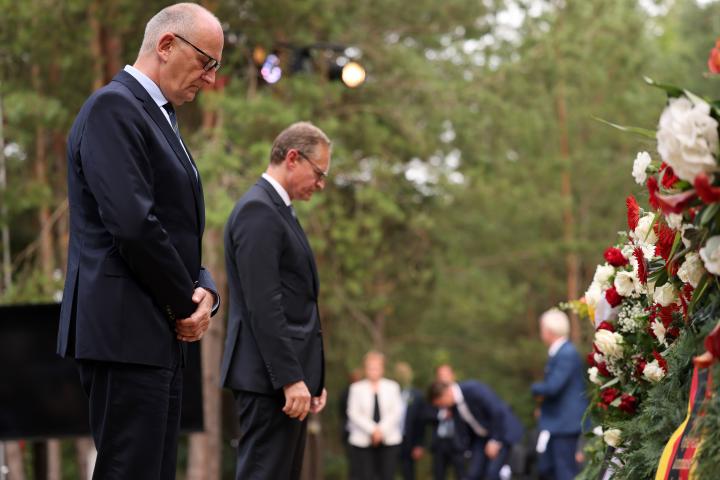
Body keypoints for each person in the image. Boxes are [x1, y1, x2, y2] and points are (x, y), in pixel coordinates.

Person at [56, 3, 222, 479]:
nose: (209, 79)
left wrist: (204, 288)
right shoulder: (114, 107)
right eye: (206, 62)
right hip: (125, 332)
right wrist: (183, 302)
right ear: (167, 45)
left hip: (153, 333)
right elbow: (132, 223)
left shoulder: (160, 117)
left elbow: (172, 225)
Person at [220, 122, 330, 480]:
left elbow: (298, 301)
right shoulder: (258, 211)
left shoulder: (279, 210)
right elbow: (263, 305)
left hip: (285, 383)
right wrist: (290, 379)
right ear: (293, 158)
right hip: (269, 382)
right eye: (319, 173)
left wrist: (311, 377)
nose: (321, 184)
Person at [531, 308, 588, 480]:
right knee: (548, 469)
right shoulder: (561, 352)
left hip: (565, 424)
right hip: (558, 422)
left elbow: (553, 387)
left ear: (549, 331)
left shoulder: (566, 353)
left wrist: (535, 388)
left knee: (564, 472)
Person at [428, 380, 524, 480]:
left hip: (502, 433)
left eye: (441, 403)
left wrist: (495, 440)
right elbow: (464, 430)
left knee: (492, 473)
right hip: (482, 438)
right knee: (473, 473)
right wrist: (467, 450)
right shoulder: (454, 406)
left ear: (445, 393)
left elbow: (496, 412)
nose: (442, 407)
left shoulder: (474, 389)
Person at [347, 351, 404, 480]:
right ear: (365, 369)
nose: (373, 370)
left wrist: (381, 431)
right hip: (362, 441)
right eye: (370, 367)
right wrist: (372, 430)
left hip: (389, 439)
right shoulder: (356, 388)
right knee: (364, 475)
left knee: (387, 475)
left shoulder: (392, 387)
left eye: (377, 367)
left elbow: (396, 411)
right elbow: (353, 413)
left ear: (382, 368)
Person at [430, 364, 467, 480]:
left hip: (458, 442)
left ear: (453, 375)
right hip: (440, 442)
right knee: (439, 474)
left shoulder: (461, 392)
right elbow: (425, 414)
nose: (443, 378)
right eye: (440, 375)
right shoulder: (433, 393)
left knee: (461, 474)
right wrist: (442, 415)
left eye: (446, 375)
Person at [395, 361, 428, 480]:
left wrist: (419, 444)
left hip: (409, 440)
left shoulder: (417, 395)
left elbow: (421, 422)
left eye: (405, 372)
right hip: (390, 439)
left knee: (408, 472)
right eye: (399, 373)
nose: (402, 375)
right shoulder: (390, 392)